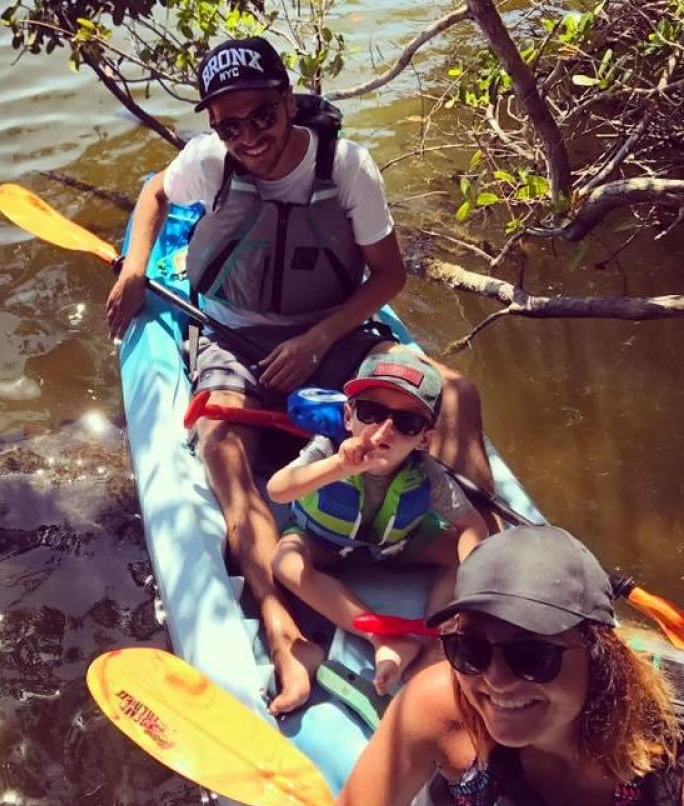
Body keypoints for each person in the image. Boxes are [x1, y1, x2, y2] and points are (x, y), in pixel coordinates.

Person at [106, 35, 495, 713]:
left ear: (288, 102)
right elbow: (154, 199)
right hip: (233, 329)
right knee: (223, 443)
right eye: (229, 123)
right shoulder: (208, 161)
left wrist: (318, 340)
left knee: (456, 390)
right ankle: (279, 621)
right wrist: (137, 263)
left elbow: (390, 275)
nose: (248, 135)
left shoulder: (345, 167)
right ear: (213, 125)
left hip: (332, 332)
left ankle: (486, 563)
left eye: (262, 115)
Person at [286, 525, 684, 806]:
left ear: (600, 654)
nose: (495, 681)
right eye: (469, 650)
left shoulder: (668, 732)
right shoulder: (438, 708)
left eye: (531, 655)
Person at [267, 350, 489, 697]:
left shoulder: (427, 474)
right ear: (348, 416)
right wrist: (340, 468)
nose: (385, 430)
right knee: (285, 560)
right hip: (323, 541)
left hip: (398, 544)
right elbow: (278, 490)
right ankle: (384, 637)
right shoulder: (328, 450)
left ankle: (437, 637)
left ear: (425, 438)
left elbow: (471, 526)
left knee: (471, 556)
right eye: (371, 412)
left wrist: (473, 579)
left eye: (407, 423)